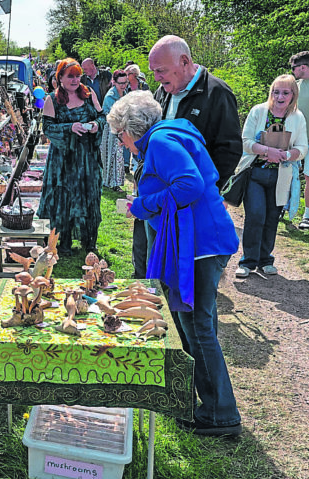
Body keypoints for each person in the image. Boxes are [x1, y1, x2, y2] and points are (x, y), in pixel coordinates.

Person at [107, 91, 242, 437]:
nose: (121, 142)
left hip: (199, 246)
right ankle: (207, 404)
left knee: (197, 327)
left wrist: (142, 204)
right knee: (191, 324)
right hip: (194, 243)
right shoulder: (164, 137)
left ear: (130, 128)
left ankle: (220, 414)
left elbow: (190, 184)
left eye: (119, 134)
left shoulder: (162, 142)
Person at [234, 75, 308, 278]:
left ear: (293, 94)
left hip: (281, 177)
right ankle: (247, 261)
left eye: (285, 92)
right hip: (255, 173)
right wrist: (267, 151)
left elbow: (302, 148)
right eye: (276, 91)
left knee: (272, 218)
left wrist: (285, 155)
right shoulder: (258, 111)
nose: (280, 96)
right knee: (256, 215)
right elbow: (245, 141)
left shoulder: (297, 117)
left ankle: (265, 260)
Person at [148, 35, 242, 189]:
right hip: (163, 192)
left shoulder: (217, 93)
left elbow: (230, 149)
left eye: (161, 70)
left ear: (184, 61)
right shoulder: (162, 91)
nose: (156, 77)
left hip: (195, 195)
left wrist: (207, 189)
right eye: (153, 71)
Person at [37, 58, 105, 256]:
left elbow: (102, 117)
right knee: (64, 199)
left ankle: (89, 241)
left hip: (88, 158)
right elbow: (48, 128)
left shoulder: (88, 94)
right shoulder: (52, 99)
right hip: (63, 161)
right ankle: (63, 242)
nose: (75, 80)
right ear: (60, 78)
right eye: (71, 76)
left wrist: (95, 126)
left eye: (78, 76)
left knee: (89, 196)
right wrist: (69, 128)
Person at [289, 51, 309, 230]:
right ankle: (284, 208)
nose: (292, 71)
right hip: (294, 139)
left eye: (294, 68)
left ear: (303, 67)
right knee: (286, 175)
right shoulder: (295, 86)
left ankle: (307, 216)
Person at [100, 69, 128, 190]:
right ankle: (112, 182)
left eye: (125, 82)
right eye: (120, 83)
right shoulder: (111, 96)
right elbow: (114, 115)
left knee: (118, 155)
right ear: (114, 82)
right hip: (111, 128)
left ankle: (114, 182)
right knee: (113, 155)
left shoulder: (125, 92)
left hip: (121, 127)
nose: (123, 85)